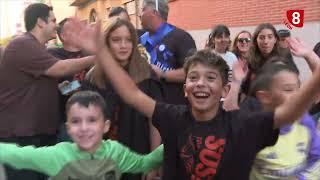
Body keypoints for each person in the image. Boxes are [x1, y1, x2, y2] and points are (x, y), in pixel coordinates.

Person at [63, 18, 320, 179]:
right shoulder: (174, 117)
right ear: (185, 88)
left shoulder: (244, 124)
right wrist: (101, 51)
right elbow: (131, 93)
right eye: (194, 77)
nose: (200, 83)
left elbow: (289, 112)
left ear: (223, 89)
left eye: (210, 78)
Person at [0, 4, 94, 180]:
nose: (55, 25)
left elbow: (49, 86)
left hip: (38, 136)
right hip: (21, 138)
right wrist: (98, 57)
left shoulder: (37, 48)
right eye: (53, 20)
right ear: (40, 22)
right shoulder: (22, 44)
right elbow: (60, 68)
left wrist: (67, 87)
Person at [0, 91, 164, 180]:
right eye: (76, 121)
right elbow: (18, 154)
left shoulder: (116, 152)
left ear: (105, 126)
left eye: (92, 120)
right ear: (68, 128)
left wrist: (175, 137)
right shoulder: (58, 155)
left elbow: (145, 163)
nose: (84, 128)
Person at [81, 19, 163, 180]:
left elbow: (155, 120)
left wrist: (154, 161)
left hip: (138, 154)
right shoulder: (93, 77)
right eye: (116, 40)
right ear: (107, 43)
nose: (123, 45)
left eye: (128, 40)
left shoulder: (146, 73)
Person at [246, 62, 320, 179]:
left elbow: (316, 158)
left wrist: (302, 177)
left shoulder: (305, 122)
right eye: (288, 90)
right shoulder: (251, 130)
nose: (297, 95)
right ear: (265, 97)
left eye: (298, 88)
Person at [139, 0, 196, 105]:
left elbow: (193, 72)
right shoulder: (139, 38)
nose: (139, 15)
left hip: (171, 109)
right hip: (143, 108)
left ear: (154, 12)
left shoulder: (182, 37)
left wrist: (164, 74)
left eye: (143, 9)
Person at [223, 30, 252, 110]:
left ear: (251, 43)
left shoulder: (254, 61)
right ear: (236, 43)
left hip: (247, 102)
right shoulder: (230, 58)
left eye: (247, 40)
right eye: (240, 40)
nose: (244, 42)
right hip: (229, 98)